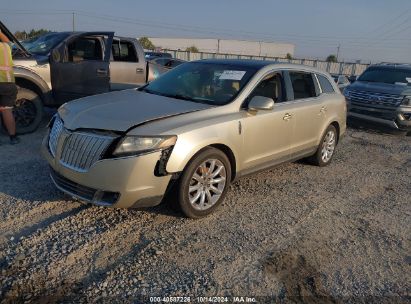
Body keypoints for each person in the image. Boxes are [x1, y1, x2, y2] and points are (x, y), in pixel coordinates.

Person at [0, 29, 20, 144]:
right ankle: (13, 138)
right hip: (7, 84)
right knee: (6, 111)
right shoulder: (6, 47)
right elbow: (7, 40)